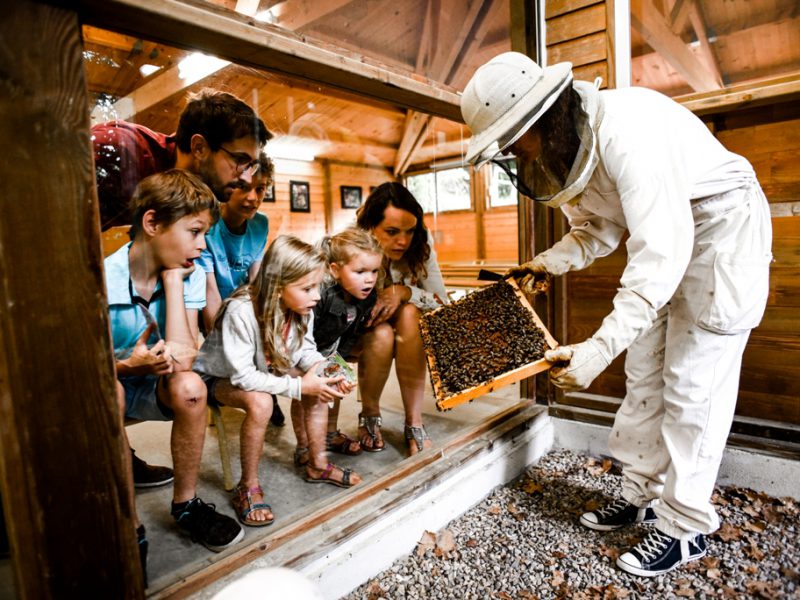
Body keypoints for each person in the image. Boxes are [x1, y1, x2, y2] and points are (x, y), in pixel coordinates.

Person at [461, 52, 772, 576]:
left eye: (514, 142)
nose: (515, 155)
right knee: (644, 374)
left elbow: (662, 253)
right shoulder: (568, 150)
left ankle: (683, 527)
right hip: (670, 236)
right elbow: (598, 230)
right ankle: (639, 495)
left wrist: (599, 347)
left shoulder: (629, 134)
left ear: (542, 117)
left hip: (722, 227)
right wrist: (546, 264)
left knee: (695, 383)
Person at [94, 88, 272, 486]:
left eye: (254, 165)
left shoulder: (191, 230)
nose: (247, 177)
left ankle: (125, 459)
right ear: (200, 147)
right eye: (240, 160)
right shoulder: (121, 150)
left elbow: (185, 344)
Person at [106, 169, 244, 553]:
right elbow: (75, 367)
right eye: (194, 231)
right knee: (109, 392)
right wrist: (124, 366)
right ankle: (128, 524)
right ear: (152, 223)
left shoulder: (190, 274)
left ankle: (185, 505)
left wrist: (172, 283)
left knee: (191, 388)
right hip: (104, 384)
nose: (203, 245)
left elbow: (183, 361)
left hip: (155, 384)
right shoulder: (99, 277)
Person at [194, 235, 361, 495]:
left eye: (317, 287)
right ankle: (248, 486)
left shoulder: (301, 307)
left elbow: (305, 350)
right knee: (261, 402)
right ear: (278, 286)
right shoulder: (241, 311)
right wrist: (298, 386)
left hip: (265, 366)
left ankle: (318, 464)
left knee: (318, 379)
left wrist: (327, 370)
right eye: (307, 288)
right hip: (217, 378)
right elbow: (243, 378)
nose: (316, 296)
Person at [354, 183, 448, 456]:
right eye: (392, 232)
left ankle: (414, 422)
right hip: (365, 329)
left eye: (410, 231)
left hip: (408, 331)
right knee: (382, 333)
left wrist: (404, 291)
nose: (404, 241)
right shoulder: (353, 243)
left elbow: (441, 302)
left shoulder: (421, 243)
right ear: (371, 227)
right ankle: (370, 415)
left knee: (409, 314)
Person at [197, 152, 286, 427]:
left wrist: (266, 325)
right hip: (211, 305)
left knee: (270, 331)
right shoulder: (209, 228)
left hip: (244, 303)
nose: (253, 197)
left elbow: (257, 280)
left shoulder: (260, 224)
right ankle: (223, 386)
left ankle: (268, 389)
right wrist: (232, 335)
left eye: (260, 189)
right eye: (244, 187)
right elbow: (209, 292)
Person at [312, 227, 384, 456]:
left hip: (332, 349)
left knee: (337, 381)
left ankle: (330, 435)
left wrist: (338, 362)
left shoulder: (368, 296)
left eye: (374, 271)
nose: (369, 279)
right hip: (305, 351)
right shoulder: (320, 295)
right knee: (311, 398)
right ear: (335, 270)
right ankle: (306, 446)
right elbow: (303, 335)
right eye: (360, 271)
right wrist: (316, 364)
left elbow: (352, 331)